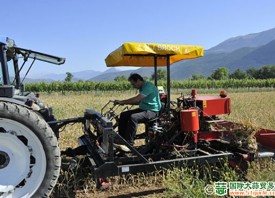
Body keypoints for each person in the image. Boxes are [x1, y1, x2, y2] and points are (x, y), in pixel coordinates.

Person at [114, 73, 161, 145]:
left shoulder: (148, 87)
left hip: (153, 111)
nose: (133, 86)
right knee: (124, 115)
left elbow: (137, 99)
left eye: (133, 84)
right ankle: (122, 138)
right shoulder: (142, 87)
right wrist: (124, 103)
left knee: (134, 117)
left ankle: (129, 142)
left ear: (138, 80)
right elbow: (140, 102)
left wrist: (122, 102)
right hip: (144, 109)